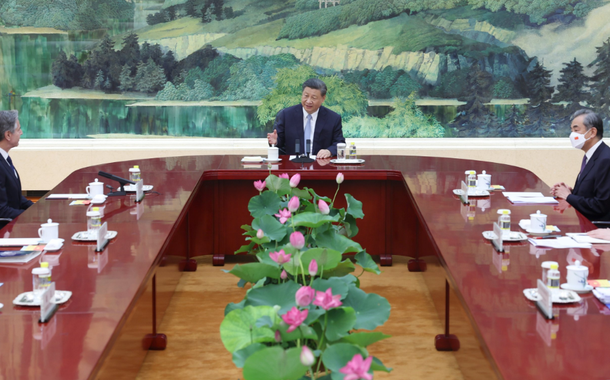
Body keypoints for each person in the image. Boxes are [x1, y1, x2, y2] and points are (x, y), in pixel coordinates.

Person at [551, 109, 610, 221]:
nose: (572, 135)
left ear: (592, 132)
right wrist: (570, 192)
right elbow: (592, 193)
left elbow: (600, 205)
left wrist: (569, 197)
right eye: (571, 130)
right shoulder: (590, 155)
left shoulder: (606, 159)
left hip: (596, 227)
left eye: (576, 130)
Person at [267, 78, 345, 159]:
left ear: (323, 98)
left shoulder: (333, 118)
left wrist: (329, 151)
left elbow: (339, 142)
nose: (308, 101)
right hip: (293, 165)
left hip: (320, 164)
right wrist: (275, 142)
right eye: (306, 96)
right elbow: (280, 144)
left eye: (314, 98)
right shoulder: (287, 115)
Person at [0, 110, 33, 222]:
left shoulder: (5, 158)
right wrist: (32, 215)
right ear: (8, 135)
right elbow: (2, 210)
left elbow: (15, 197)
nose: (21, 132)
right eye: (18, 129)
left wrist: (36, 208)